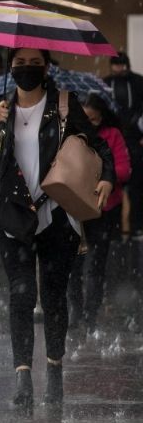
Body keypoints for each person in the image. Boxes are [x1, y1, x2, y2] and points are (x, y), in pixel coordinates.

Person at [0, 48, 115, 409]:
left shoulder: (64, 105)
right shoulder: (0, 110)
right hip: (14, 217)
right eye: (19, 64)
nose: (27, 70)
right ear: (10, 68)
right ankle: (22, 379)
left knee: (53, 296)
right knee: (20, 295)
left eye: (34, 64)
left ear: (46, 67)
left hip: (56, 216)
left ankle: (54, 368)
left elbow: (99, 147)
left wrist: (108, 179)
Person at [67, 93, 131, 339]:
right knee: (74, 265)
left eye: (93, 119)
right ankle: (76, 310)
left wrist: (103, 174)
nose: (89, 123)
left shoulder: (113, 135)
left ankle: (91, 313)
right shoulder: (72, 135)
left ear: (102, 117)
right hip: (77, 207)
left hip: (105, 208)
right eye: (85, 118)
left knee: (95, 265)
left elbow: (124, 170)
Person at [105, 53, 143, 240]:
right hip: (114, 136)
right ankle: (115, 227)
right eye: (116, 65)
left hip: (135, 138)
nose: (119, 69)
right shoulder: (106, 83)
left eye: (121, 65)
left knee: (136, 183)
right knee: (113, 181)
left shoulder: (138, 82)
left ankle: (136, 226)